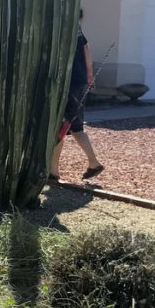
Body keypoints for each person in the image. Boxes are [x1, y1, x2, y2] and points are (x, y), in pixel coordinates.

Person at [50, 9, 103, 183]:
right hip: (80, 82)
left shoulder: (58, 29)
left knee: (66, 125)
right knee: (70, 125)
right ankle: (54, 170)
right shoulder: (77, 29)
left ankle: (91, 163)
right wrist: (89, 75)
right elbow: (87, 49)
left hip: (67, 84)